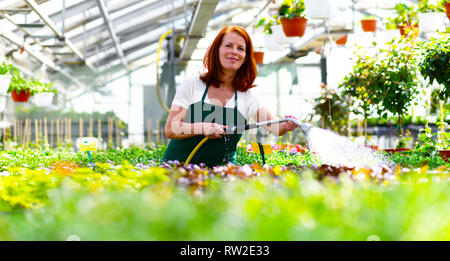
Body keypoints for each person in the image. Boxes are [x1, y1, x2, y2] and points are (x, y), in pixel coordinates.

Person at [163, 25, 298, 167]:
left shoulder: (248, 95)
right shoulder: (194, 83)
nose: (234, 52)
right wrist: (202, 127)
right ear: (217, 50)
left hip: (222, 176)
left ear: (246, 57)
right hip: (178, 169)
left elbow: (275, 128)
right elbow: (171, 128)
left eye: (240, 48)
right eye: (228, 46)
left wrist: (286, 123)